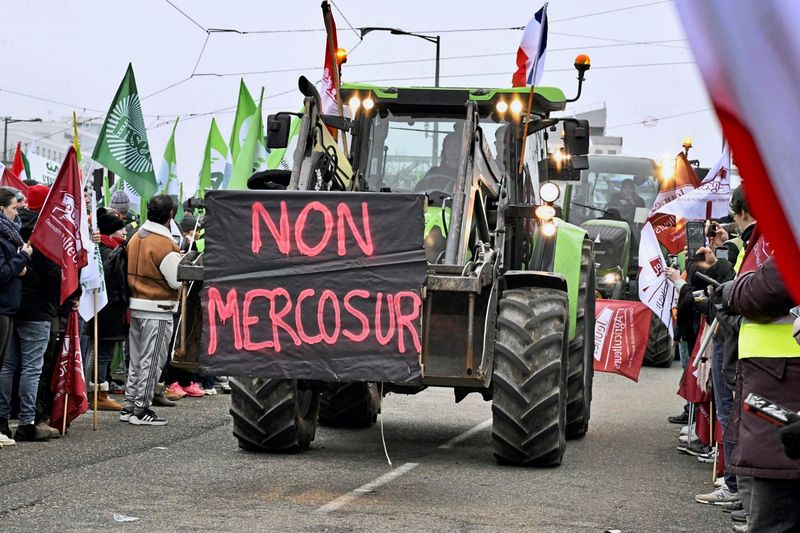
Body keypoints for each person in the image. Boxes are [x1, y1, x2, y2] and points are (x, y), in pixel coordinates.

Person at [724, 256, 800, 531]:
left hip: (783, 384)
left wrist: (731, 289)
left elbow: (763, 290)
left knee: (774, 518)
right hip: (774, 387)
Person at [0, 184, 62, 441]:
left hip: (14, 308)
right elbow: (54, 274)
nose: (18, 211)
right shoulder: (46, 231)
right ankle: (27, 421)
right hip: (35, 308)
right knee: (32, 368)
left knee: (8, 366)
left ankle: (3, 420)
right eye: (14, 207)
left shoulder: (14, 229)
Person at [122, 195, 181, 426]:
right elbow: (176, 281)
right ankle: (141, 409)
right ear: (170, 214)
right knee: (152, 361)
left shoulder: (135, 236)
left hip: (135, 304)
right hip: (157, 307)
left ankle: (129, 406)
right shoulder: (165, 243)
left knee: (137, 361)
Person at [83, 210, 128, 411]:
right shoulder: (110, 252)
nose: (124, 232)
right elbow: (117, 282)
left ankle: (96, 391)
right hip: (108, 308)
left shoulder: (103, 248)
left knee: (98, 351)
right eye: (120, 229)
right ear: (110, 231)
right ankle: (98, 394)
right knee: (102, 352)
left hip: (103, 308)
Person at [0, 187, 32, 447]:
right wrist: (22, 258)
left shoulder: (10, 233)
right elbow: (2, 273)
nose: (18, 213)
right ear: (2, 209)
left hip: (9, 306)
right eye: (14, 208)